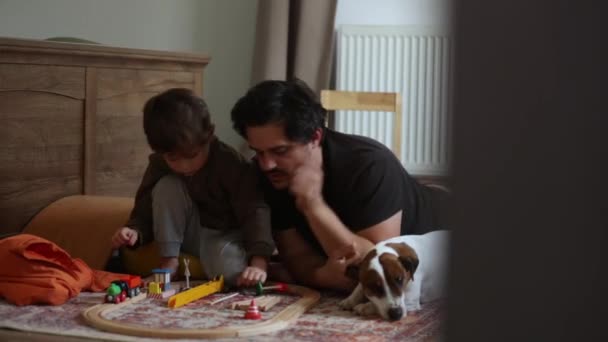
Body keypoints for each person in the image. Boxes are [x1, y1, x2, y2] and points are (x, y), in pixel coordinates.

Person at [230, 79, 448, 290]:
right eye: (258, 152)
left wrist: (312, 204)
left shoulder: (369, 164)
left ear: (315, 137)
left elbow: (378, 265)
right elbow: (298, 258)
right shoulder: (268, 173)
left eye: (280, 151)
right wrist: (320, 276)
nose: (267, 164)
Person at [111, 88, 274, 287]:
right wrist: (134, 230)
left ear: (209, 136)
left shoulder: (230, 163)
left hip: (222, 233)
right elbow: (146, 204)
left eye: (192, 155)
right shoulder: (160, 163)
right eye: (173, 158)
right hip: (185, 232)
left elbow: (254, 210)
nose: (184, 166)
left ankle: (266, 266)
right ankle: (169, 262)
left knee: (231, 274)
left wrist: (259, 262)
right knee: (167, 186)